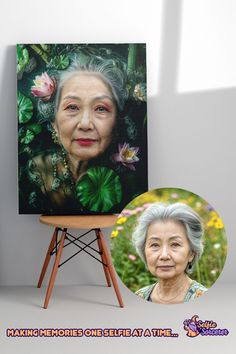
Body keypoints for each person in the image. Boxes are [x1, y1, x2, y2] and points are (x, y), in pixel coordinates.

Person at [27, 55, 129, 213]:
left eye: (101, 108)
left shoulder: (129, 184)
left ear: (116, 122)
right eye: (73, 107)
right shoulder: (34, 171)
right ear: (54, 122)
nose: (86, 124)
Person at [132, 203, 207, 303]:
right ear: (143, 250)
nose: (164, 256)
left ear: (191, 253)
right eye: (155, 245)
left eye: (175, 244)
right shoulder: (139, 297)